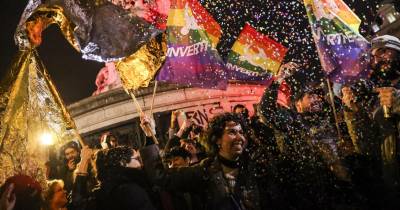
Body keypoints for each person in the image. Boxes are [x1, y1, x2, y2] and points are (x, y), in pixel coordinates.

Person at [140, 112, 261, 210]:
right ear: (217, 139)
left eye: (241, 132)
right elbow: (161, 177)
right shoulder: (204, 172)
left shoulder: (257, 167)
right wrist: (150, 136)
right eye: (232, 132)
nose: (240, 138)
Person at [342, 34, 400, 208]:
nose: (378, 58)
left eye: (383, 51)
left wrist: (397, 103)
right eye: (374, 55)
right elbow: (365, 147)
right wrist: (353, 112)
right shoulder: (374, 97)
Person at [69, 146, 158, 210]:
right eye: (136, 159)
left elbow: (79, 203)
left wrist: (84, 160)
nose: (141, 163)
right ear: (123, 163)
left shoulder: (104, 190)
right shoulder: (130, 190)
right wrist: (84, 160)